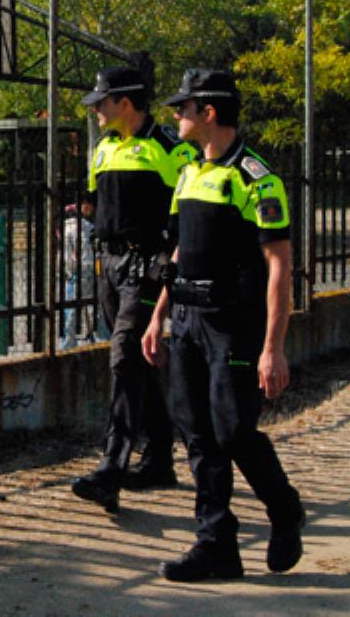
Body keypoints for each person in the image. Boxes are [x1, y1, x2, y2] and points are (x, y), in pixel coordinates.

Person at [142, 69, 304, 581]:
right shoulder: (189, 173)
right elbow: (181, 252)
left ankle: (284, 510)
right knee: (196, 434)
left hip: (235, 325)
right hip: (187, 321)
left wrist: (273, 348)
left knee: (233, 431)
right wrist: (158, 315)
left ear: (208, 114)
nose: (176, 116)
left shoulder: (256, 178)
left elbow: (279, 264)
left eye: (183, 109)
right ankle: (216, 545)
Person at [71, 65, 197, 514]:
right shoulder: (103, 148)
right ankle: (160, 457)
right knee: (138, 363)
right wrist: (88, 212)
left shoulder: (170, 151)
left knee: (124, 353)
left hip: (147, 267)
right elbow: (93, 200)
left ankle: (111, 467)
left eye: (101, 103)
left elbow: (186, 222)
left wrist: (166, 269)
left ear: (125, 102)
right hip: (110, 265)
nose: (96, 110)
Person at [60, 194, 102, 349]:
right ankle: (97, 340)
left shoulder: (70, 226)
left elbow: (66, 255)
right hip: (86, 271)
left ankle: (68, 343)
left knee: (71, 311)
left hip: (76, 272)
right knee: (93, 310)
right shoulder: (84, 227)